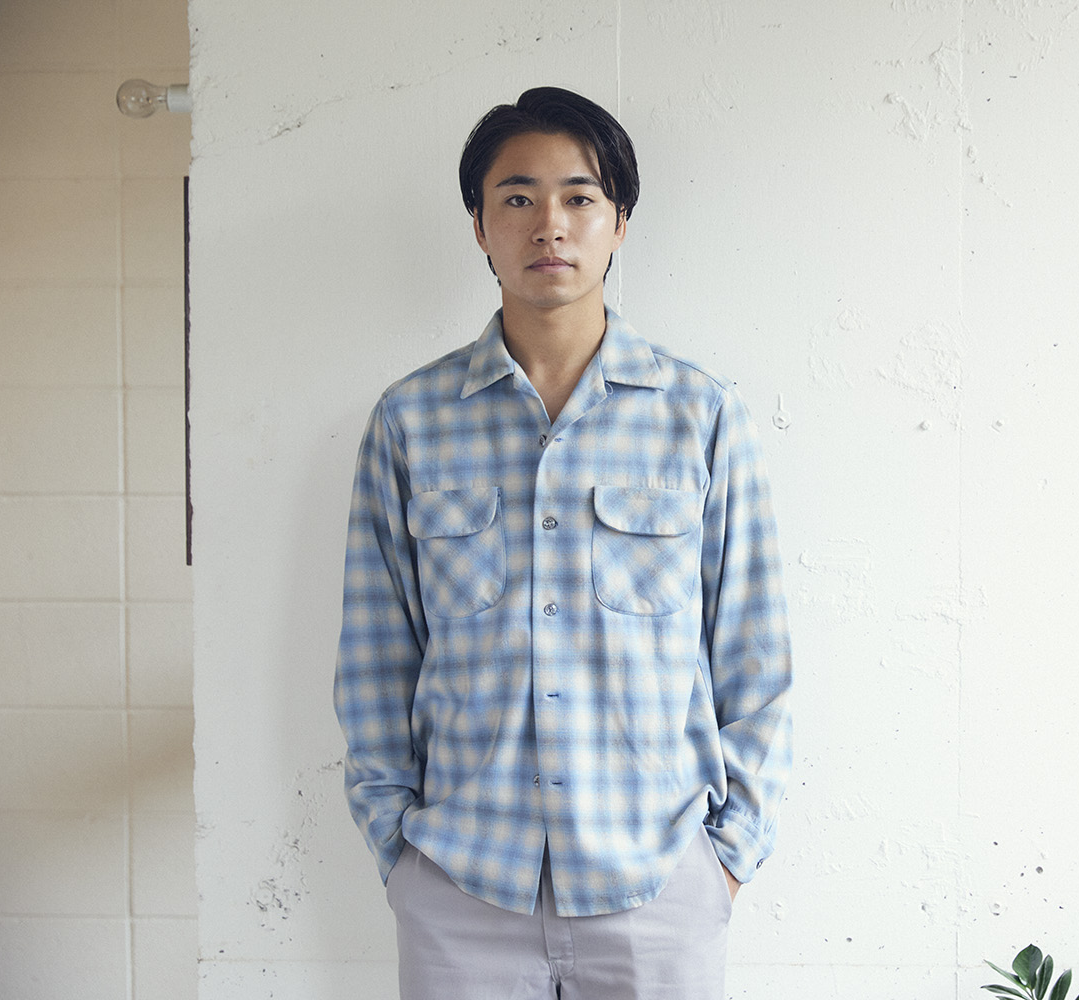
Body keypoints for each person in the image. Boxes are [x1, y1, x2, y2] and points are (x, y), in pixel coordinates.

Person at [333, 86, 793, 1000]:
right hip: (461, 886)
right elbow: (376, 656)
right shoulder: (411, 421)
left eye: (580, 197)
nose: (550, 223)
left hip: (656, 884)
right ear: (479, 226)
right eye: (518, 197)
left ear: (619, 223)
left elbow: (753, 655)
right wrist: (398, 850)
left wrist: (727, 857)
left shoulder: (699, 417)